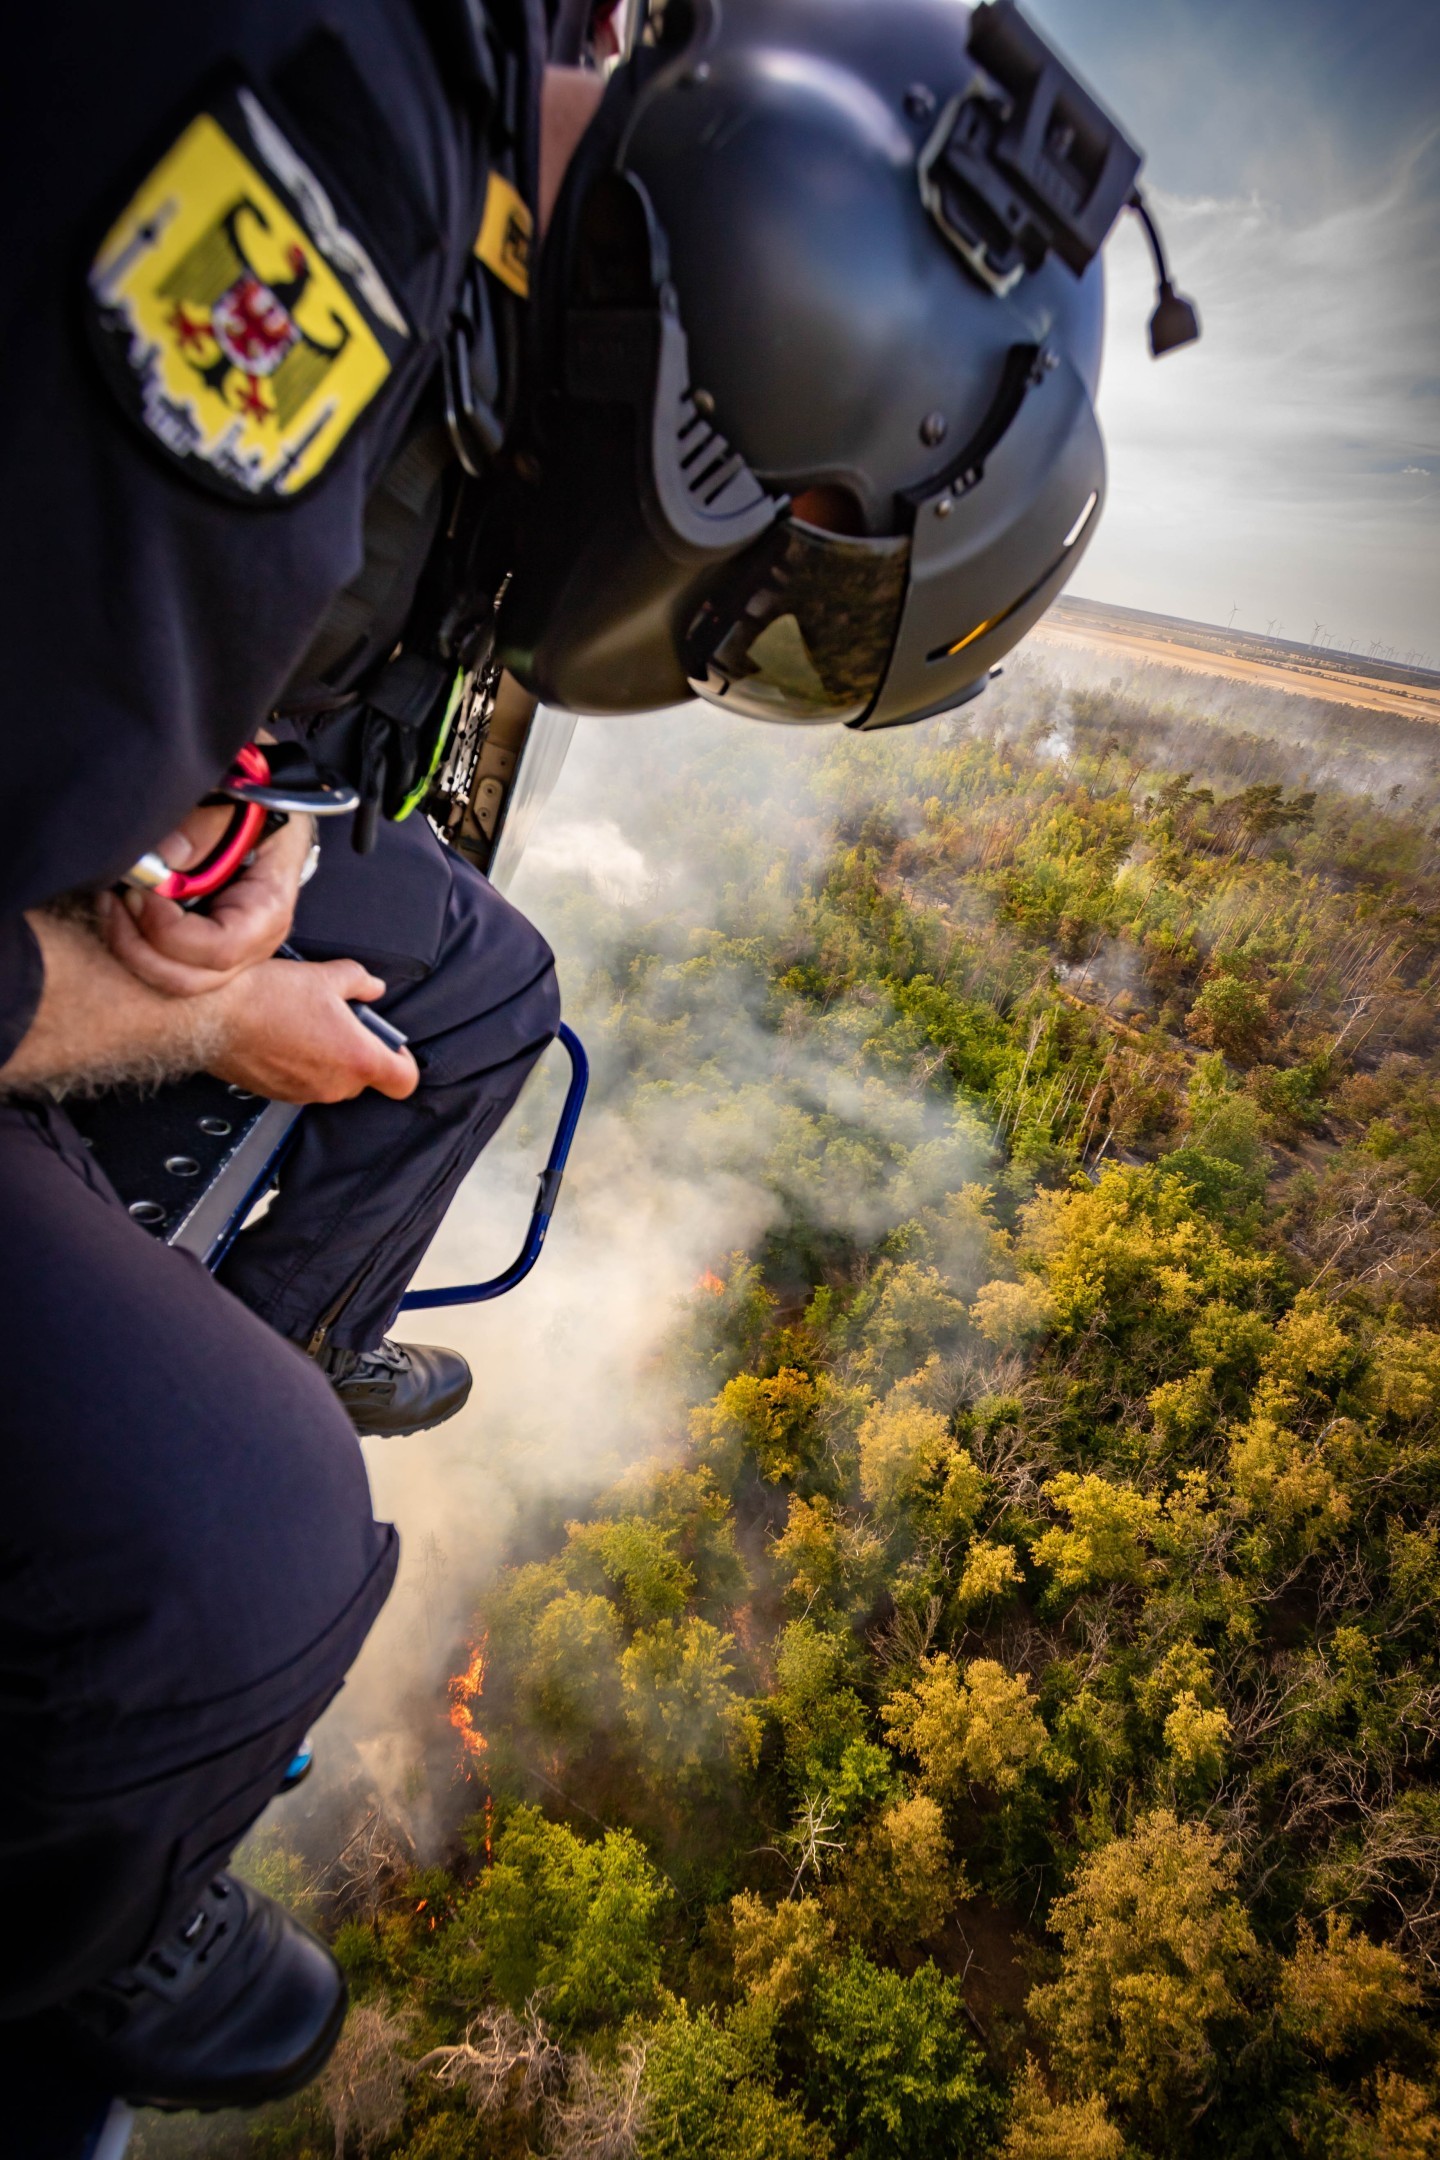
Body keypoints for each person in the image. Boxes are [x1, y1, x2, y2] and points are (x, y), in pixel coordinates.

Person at [0, 0, 1193, 2148]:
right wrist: (189, 1016)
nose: (719, 613)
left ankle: (277, 1336)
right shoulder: (301, 248)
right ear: (741, 390)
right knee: (252, 1546)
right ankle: (71, 1914)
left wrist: (241, 844)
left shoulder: (459, 163)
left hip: (95, 850)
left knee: (479, 990)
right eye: (772, 555)